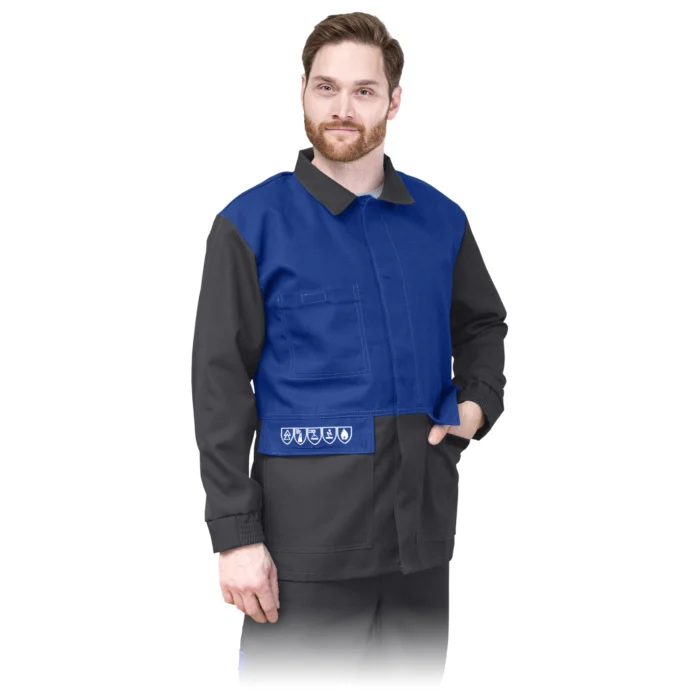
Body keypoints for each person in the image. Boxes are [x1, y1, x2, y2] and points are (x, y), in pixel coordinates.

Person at [191, 11, 508, 687]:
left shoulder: (441, 221)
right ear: (303, 92)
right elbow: (219, 385)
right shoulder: (249, 225)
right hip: (302, 553)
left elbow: (482, 324)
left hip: (420, 544)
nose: (342, 108)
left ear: (394, 101)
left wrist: (476, 405)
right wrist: (236, 536)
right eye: (326, 87)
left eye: (364, 91)